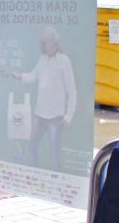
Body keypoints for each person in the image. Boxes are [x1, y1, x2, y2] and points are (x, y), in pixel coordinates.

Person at [12, 26, 77, 171]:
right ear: (44, 45)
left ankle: (58, 184)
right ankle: (35, 177)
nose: (50, 46)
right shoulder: (43, 59)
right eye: (47, 43)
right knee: (32, 146)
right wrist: (21, 76)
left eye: (53, 43)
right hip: (40, 114)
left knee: (54, 155)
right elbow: (33, 76)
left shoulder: (64, 61)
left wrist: (68, 117)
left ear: (57, 43)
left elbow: (72, 91)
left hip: (56, 116)